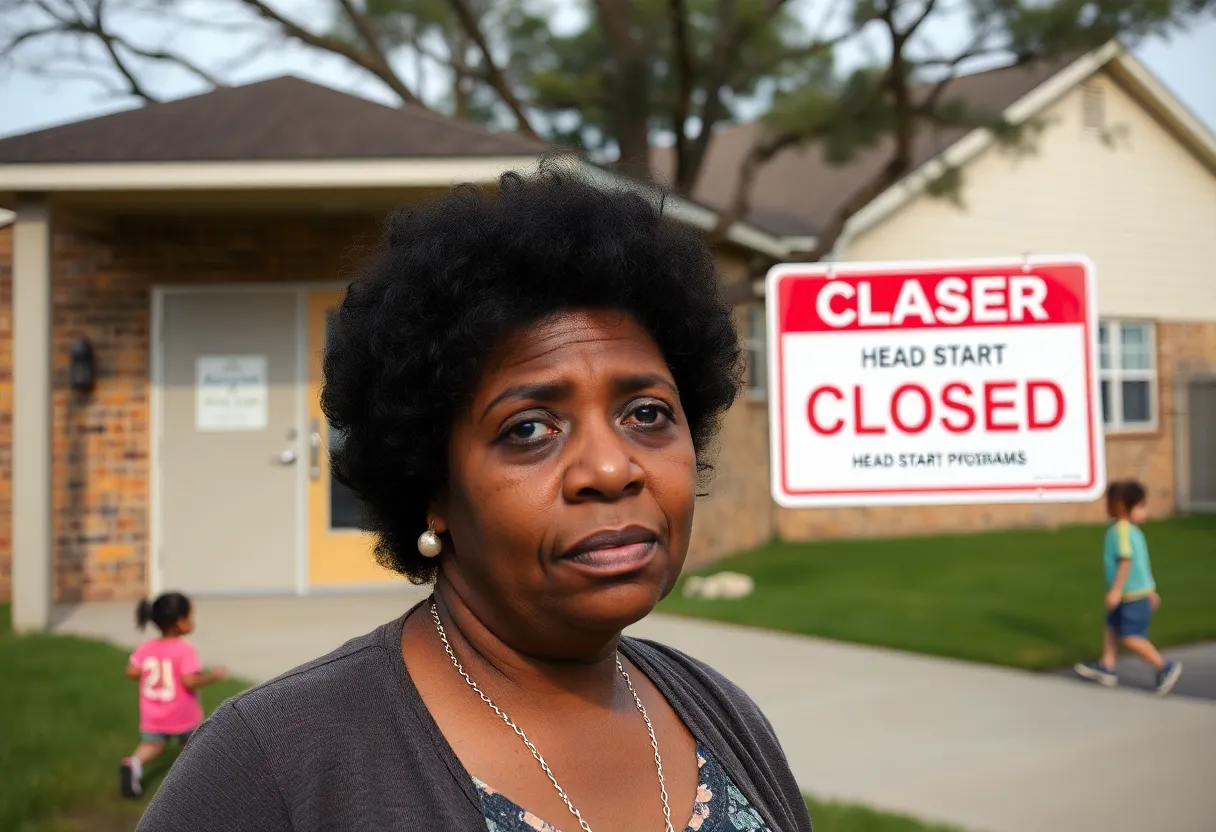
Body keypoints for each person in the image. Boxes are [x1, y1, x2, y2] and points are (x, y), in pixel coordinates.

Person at [138, 165, 812, 832]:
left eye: (645, 413)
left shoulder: (722, 717)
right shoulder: (274, 765)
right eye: (529, 429)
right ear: (433, 487)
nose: (611, 468)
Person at [1074, 480, 1183, 696]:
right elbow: (1142, 563)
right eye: (1141, 506)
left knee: (1130, 636)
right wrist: (1150, 589)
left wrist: (1116, 590)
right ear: (1124, 507)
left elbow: (1126, 561)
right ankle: (1107, 666)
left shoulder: (1122, 531)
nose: (1145, 511)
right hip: (1132, 593)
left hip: (1130, 595)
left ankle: (1164, 666)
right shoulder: (1131, 531)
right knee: (1111, 626)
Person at [121, 592, 226, 798]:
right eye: (190, 616)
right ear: (180, 622)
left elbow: (131, 671)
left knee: (152, 745)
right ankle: (200, 783)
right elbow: (190, 681)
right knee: (191, 746)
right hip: (181, 714)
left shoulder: (147, 648)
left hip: (154, 714)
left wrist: (147, 674)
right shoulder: (184, 650)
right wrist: (212, 677)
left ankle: (132, 764)